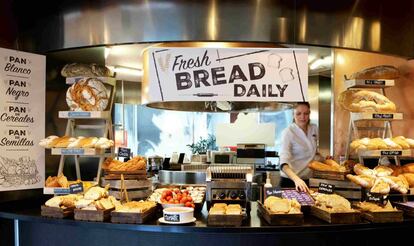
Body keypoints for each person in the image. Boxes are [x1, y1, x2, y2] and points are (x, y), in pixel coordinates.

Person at [279, 102, 323, 192]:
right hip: (291, 181)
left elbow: (314, 153)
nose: (302, 117)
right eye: (298, 114)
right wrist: (296, 179)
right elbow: (283, 163)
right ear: (293, 114)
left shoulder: (314, 129)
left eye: (306, 114)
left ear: (309, 113)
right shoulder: (288, 132)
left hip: (309, 180)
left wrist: (323, 158)